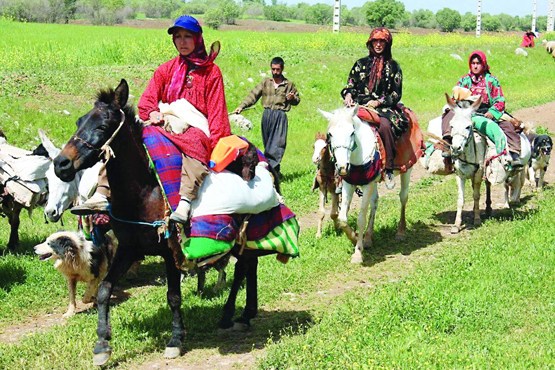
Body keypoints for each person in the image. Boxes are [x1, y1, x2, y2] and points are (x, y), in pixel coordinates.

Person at [73, 15, 231, 224]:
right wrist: (154, 113)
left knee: (195, 146)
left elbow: (217, 110)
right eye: (178, 37)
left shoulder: (211, 73)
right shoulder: (166, 70)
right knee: (123, 140)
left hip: (195, 127)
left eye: (187, 37)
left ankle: (184, 202)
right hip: (164, 124)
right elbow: (147, 101)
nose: (182, 42)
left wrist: (217, 145)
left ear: (198, 39)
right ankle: (103, 192)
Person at [341, 27, 409, 190]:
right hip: (359, 105)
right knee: (340, 125)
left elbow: (396, 94)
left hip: (384, 108)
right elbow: (350, 85)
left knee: (385, 127)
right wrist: (348, 95)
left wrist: (378, 102)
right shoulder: (360, 64)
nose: (378, 45)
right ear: (370, 43)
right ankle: (336, 170)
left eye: (382, 42)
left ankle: (389, 169)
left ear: (387, 44)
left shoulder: (394, 67)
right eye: (375, 41)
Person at [440, 50, 522, 168]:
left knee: (508, 126)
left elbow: (500, 100)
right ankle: (447, 143)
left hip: (486, 112)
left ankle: (514, 154)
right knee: (448, 115)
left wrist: (492, 112)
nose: (475, 66)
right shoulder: (464, 80)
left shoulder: (491, 80)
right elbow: (456, 97)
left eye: (478, 63)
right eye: (473, 63)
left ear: (483, 64)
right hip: (465, 111)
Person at [233, 57, 300, 177]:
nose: (275, 72)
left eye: (278, 69)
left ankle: (270, 171)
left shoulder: (288, 85)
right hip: (267, 115)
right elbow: (253, 95)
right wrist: (241, 106)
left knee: (277, 144)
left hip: (280, 116)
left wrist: (292, 99)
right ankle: (275, 171)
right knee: (268, 144)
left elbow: (297, 100)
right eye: (273, 69)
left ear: (282, 69)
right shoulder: (266, 82)